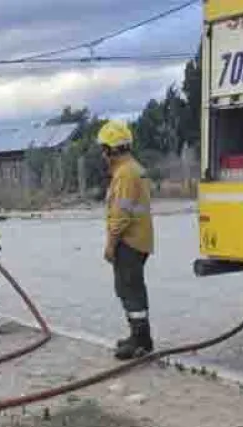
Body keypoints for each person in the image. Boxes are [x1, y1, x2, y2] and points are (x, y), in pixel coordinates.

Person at [98, 120, 155, 360]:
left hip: (129, 241)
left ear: (111, 149)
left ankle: (140, 341)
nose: (102, 154)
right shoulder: (133, 169)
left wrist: (111, 245)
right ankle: (139, 336)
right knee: (130, 288)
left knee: (129, 289)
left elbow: (121, 216)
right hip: (139, 239)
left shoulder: (124, 175)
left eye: (104, 149)